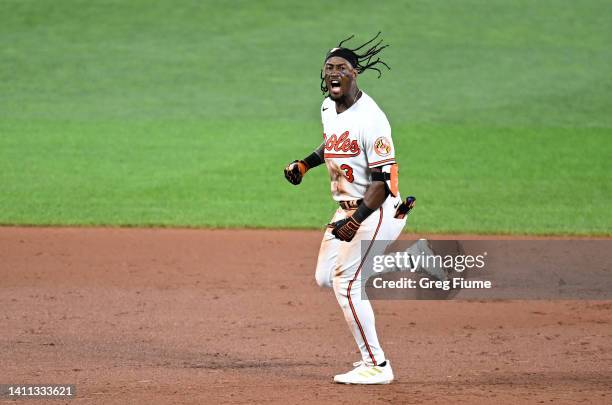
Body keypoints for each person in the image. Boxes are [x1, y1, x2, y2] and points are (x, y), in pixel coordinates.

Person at [284, 32, 409, 384]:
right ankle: (380, 261)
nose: (333, 73)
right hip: (347, 209)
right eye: (328, 68)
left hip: (377, 209)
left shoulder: (373, 120)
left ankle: (377, 365)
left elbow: (382, 184)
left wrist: (356, 220)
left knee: (346, 283)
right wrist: (305, 164)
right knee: (325, 276)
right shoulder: (327, 107)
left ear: (355, 73)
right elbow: (332, 145)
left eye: (341, 68)